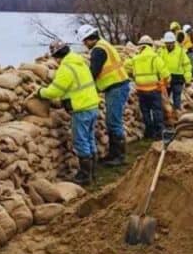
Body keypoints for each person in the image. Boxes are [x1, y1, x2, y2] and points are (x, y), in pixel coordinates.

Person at [38, 39, 100, 185]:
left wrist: (41, 92)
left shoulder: (66, 68)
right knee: (90, 139)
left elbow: (55, 91)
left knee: (80, 141)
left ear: (57, 56)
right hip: (92, 105)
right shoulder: (79, 62)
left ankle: (85, 175)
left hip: (81, 108)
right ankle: (93, 171)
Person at [78, 24, 130, 167]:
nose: (84, 45)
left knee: (114, 122)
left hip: (116, 87)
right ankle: (114, 154)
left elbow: (92, 73)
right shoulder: (104, 44)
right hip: (117, 86)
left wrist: (82, 88)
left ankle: (119, 156)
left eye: (84, 41)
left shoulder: (98, 50)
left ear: (89, 39)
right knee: (112, 121)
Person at [126, 35, 170, 140]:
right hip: (154, 89)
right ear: (151, 45)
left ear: (140, 46)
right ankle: (159, 133)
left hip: (141, 90)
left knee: (145, 112)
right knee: (157, 111)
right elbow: (166, 74)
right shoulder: (155, 57)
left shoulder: (135, 59)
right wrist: (163, 84)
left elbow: (126, 67)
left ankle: (149, 132)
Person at [160, 31, 192, 110]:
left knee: (177, 97)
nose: (169, 45)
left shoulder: (180, 52)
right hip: (166, 78)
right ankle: (168, 115)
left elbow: (187, 65)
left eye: (170, 43)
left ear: (174, 42)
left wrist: (188, 78)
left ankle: (177, 113)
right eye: (167, 43)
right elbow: (159, 65)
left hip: (178, 78)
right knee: (165, 98)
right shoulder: (162, 52)